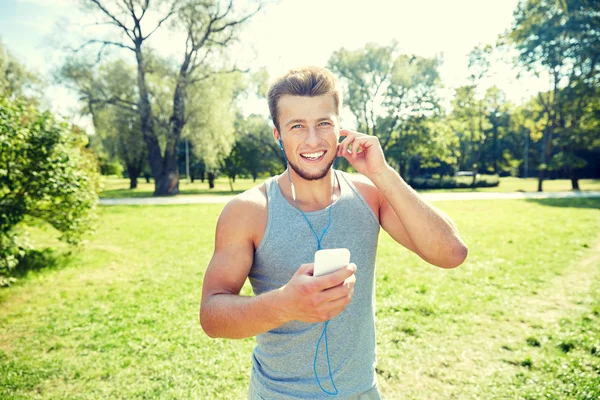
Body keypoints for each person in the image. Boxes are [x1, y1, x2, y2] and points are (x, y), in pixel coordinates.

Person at [200, 66, 468, 399]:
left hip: (362, 392)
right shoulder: (248, 211)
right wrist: (285, 305)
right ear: (277, 135)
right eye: (296, 126)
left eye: (323, 123)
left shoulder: (370, 195)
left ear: (340, 127)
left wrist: (381, 173)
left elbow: (452, 253)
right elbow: (212, 316)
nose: (312, 140)